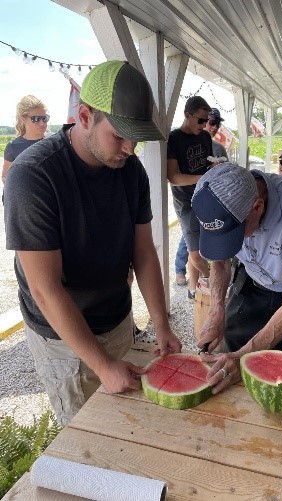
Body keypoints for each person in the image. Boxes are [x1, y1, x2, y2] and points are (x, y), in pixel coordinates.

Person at [4, 60, 181, 425]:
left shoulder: (130, 171)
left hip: (117, 320)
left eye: (136, 137)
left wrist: (161, 323)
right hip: (63, 337)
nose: (130, 149)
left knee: (122, 425)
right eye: (119, 135)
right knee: (86, 435)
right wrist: (101, 364)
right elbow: (44, 289)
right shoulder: (33, 176)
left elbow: (144, 254)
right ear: (84, 116)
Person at [191, 162, 282, 393]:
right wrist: (216, 310)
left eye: (236, 234)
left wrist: (246, 356)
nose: (235, 241)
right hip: (252, 284)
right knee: (231, 372)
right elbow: (220, 260)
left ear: (258, 207)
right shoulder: (214, 198)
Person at [167, 96, 214, 300]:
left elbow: (208, 163)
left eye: (207, 121)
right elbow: (173, 176)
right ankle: (215, 278)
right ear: (187, 115)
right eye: (201, 120)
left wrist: (215, 167)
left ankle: (193, 289)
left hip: (206, 197)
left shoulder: (205, 138)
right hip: (185, 202)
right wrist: (203, 177)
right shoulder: (174, 138)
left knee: (200, 250)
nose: (205, 126)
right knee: (194, 253)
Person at [2, 95, 49, 184]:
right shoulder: (13, 146)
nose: (42, 123)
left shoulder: (54, 143)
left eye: (45, 118)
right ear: (23, 118)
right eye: (36, 119)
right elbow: (5, 176)